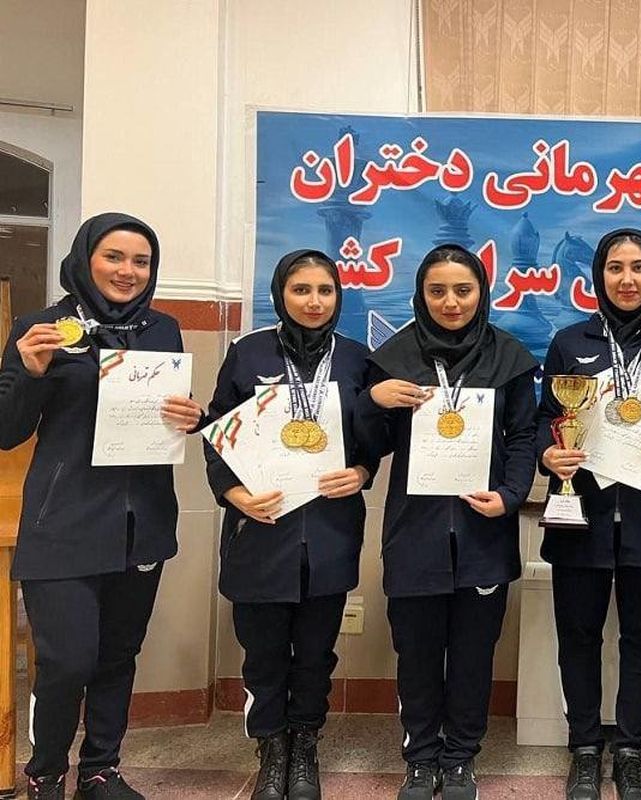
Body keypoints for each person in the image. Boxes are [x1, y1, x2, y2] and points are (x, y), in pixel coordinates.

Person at [0, 213, 204, 800]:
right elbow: (7, 431)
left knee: (118, 656)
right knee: (67, 661)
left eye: (141, 261)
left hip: (141, 522)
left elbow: (172, 411)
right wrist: (31, 373)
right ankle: (45, 774)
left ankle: (100, 771)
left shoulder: (162, 329)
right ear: (85, 258)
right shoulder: (42, 328)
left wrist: (193, 416)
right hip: (63, 521)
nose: (128, 271)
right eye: (114, 257)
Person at [356, 244, 538, 800]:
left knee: (472, 656)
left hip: (483, 531)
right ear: (421, 295)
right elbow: (370, 447)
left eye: (463, 290)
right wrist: (373, 401)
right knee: (416, 654)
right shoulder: (393, 357)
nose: (451, 302)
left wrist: (511, 496)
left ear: (482, 292)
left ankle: (460, 759)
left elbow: (524, 437)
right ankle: (420, 759)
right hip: (415, 532)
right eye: (437, 291)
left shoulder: (509, 357)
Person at [204, 249, 377, 800]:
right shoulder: (248, 352)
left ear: (338, 297)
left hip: (329, 530)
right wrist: (234, 495)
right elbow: (218, 434)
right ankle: (270, 747)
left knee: (317, 651)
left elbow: (371, 439)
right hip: (261, 528)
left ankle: (305, 744)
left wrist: (362, 472)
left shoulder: (357, 360)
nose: (314, 301)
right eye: (301, 290)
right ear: (281, 294)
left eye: (325, 290)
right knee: (263, 652)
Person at [537, 228, 641, 800]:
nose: (627, 279)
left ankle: (630, 751)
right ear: (597, 275)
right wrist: (548, 452)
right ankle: (585, 748)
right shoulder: (568, 342)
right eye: (615, 268)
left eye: (638, 268)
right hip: (579, 511)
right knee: (578, 635)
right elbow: (546, 417)